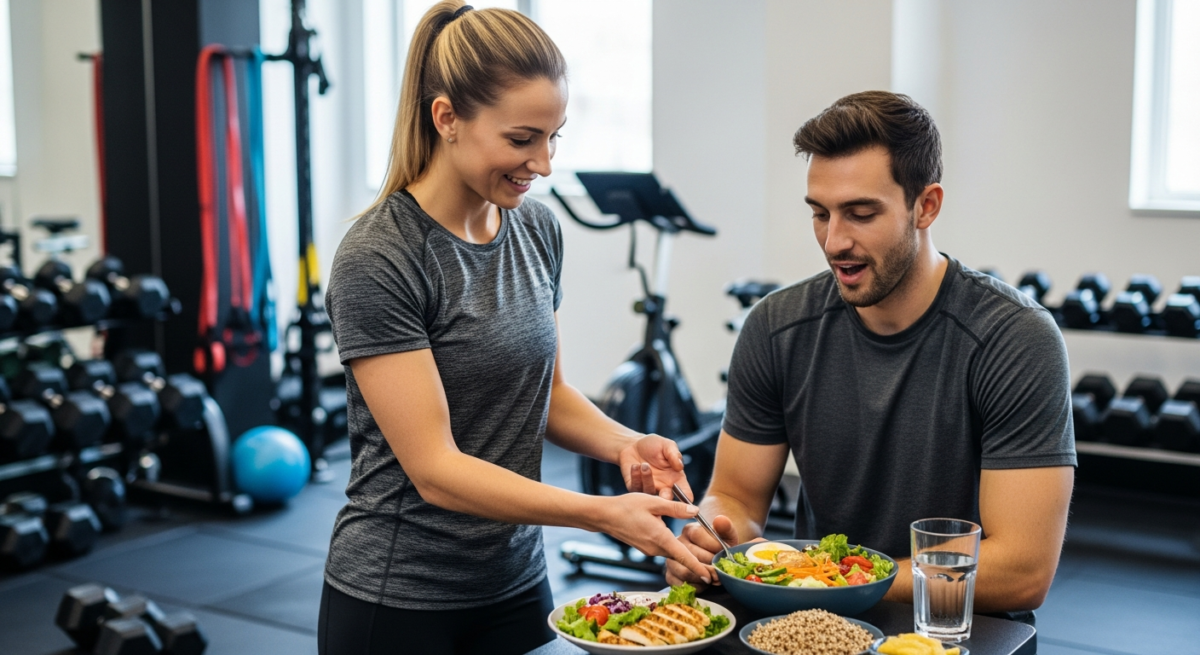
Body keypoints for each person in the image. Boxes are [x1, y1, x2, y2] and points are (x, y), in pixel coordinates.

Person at [318, 4, 709, 654]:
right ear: (446, 118)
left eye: (554, 137)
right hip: (398, 596)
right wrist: (600, 513)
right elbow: (436, 469)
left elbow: (548, 395)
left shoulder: (536, 228)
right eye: (523, 139)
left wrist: (625, 444)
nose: (544, 163)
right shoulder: (380, 256)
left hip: (516, 582)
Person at [664, 91, 1076, 613]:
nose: (834, 241)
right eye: (820, 214)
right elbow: (738, 497)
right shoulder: (776, 328)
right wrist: (714, 536)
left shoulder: (1013, 338)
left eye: (860, 214)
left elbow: (1020, 570)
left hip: (953, 631)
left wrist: (834, 577)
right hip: (814, 623)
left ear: (925, 207)